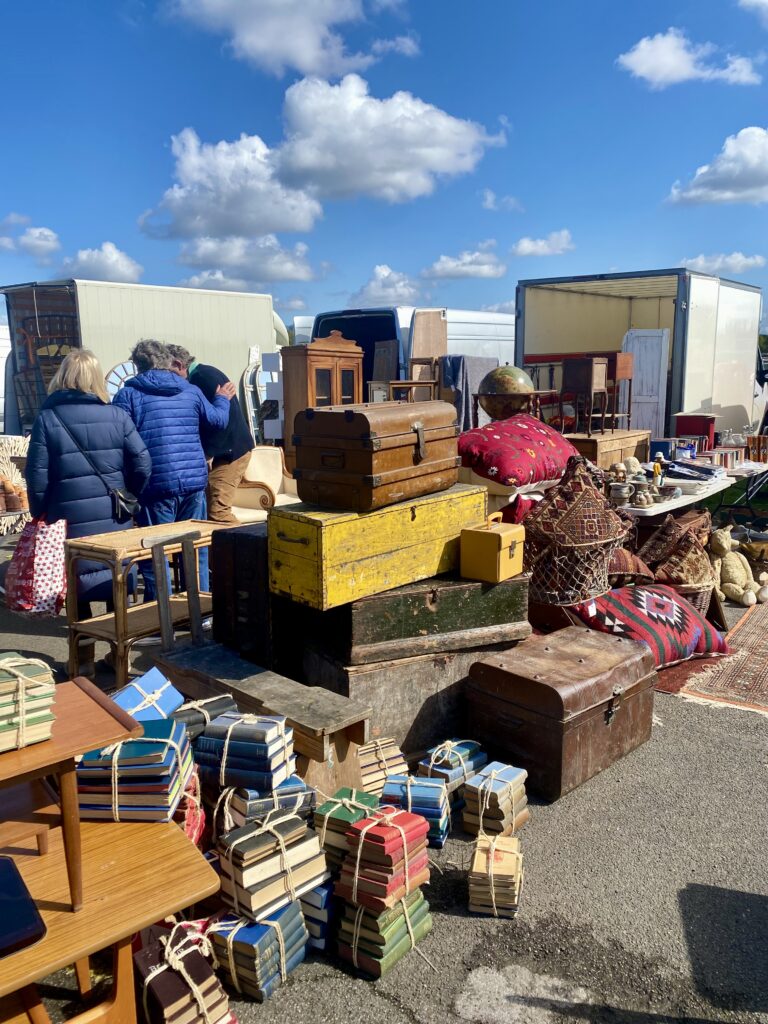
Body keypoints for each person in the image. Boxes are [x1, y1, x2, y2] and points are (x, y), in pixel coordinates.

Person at [25, 349, 152, 670]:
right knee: (116, 582)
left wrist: (40, 511)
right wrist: (129, 494)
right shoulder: (117, 415)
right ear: (96, 379)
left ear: (63, 376)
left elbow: (37, 476)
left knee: (77, 588)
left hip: (66, 517)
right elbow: (143, 463)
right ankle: (118, 656)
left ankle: (82, 661)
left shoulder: (48, 418)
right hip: (114, 514)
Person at [112, 339, 234, 598]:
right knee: (195, 550)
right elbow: (218, 420)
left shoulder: (128, 395)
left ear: (137, 365)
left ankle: (160, 617)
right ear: (167, 362)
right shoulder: (190, 391)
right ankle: (200, 613)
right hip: (193, 482)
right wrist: (222, 399)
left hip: (155, 484)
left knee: (156, 555)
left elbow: (117, 437)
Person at [167, 344, 254, 524]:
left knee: (218, 513)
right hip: (228, 450)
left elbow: (222, 420)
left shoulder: (202, 378)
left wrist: (208, 453)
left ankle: (247, 548)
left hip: (230, 452)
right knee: (209, 511)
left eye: (168, 372)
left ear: (178, 364)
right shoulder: (205, 374)